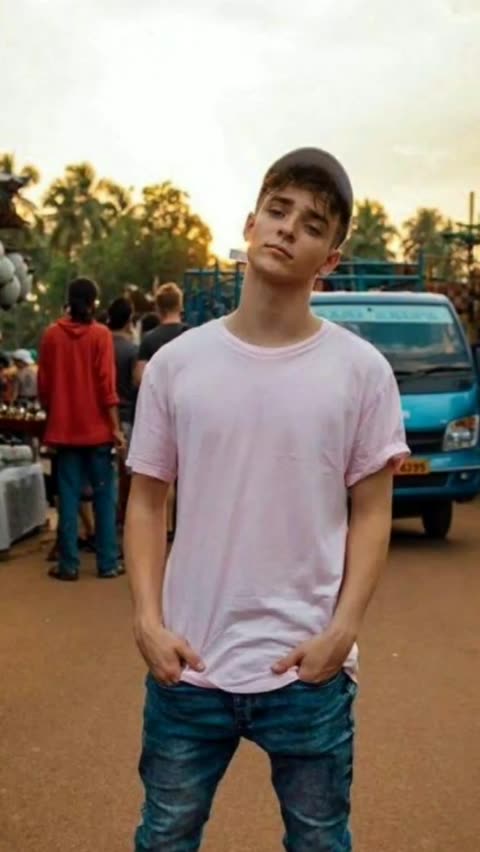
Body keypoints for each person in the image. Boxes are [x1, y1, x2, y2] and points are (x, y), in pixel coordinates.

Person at [125, 148, 409, 851]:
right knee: (164, 837)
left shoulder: (362, 373)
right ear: (250, 223)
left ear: (329, 259)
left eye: (311, 224)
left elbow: (373, 511)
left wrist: (343, 630)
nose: (287, 229)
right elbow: (148, 500)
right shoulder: (177, 366)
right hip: (189, 666)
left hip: (308, 670)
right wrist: (148, 622)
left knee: (319, 841)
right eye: (277, 211)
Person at [38, 277, 125, 581]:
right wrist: (116, 428)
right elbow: (106, 386)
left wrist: (54, 412)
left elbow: (44, 386)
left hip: (64, 430)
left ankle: (69, 564)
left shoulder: (51, 336)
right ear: (94, 302)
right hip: (98, 430)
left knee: (68, 497)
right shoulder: (101, 335)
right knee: (104, 497)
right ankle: (108, 562)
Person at [107, 296, 138, 525]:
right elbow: (137, 384)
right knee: (127, 474)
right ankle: (124, 519)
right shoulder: (132, 350)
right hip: (126, 416)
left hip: (102, 417)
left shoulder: (100, 343)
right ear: (129, 320)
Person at [134, 282, 189, 386]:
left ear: (158, 308)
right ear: (180, 306)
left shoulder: (148, 339)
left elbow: (140, 378)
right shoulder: (192, 335)